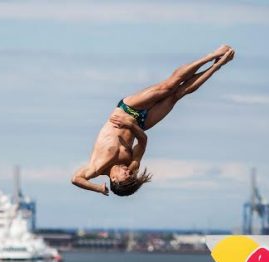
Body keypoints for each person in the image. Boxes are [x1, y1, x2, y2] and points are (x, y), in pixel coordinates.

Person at [71, 45, 235, 196]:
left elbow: (76, 179)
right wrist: (131, 126)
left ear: (114, 180)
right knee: (177, 95)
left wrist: (98, 188)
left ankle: (212, 55)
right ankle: (217, 65)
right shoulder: (132, 165)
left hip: (128, 109)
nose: (128, 172)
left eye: (125, 176)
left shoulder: (97, 166)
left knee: (169, 86)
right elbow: (143, 140)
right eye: (130, 176)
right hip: (141, 123)